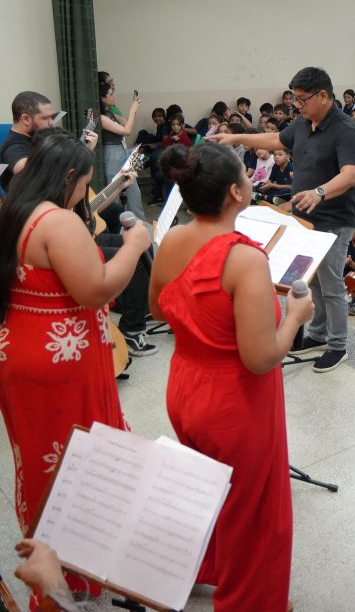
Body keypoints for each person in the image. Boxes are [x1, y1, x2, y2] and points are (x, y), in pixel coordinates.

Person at [149, 141, 311, 611]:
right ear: (237, 194)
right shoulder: (245, 260)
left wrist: (207, 322)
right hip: (235, 401)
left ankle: (206, 567)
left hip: (184, 386)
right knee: (253, 511)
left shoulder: (175, 239)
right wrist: (295, 315)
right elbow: (260, 357)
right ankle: (246, 599)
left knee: (208, 487)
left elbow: (158, 307)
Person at [0, 131, 149, 601]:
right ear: (67, 178)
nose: (86, 192)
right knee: (80, 460)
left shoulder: (13, 211)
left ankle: (52, 555)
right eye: (85, 183)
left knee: (43, 456)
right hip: (59, 359)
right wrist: (135, 243)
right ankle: (76, 569)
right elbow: (96, 288)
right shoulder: (57, 221)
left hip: (22, 349)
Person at [209, 67, 355, 373]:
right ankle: (317, 334)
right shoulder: (305, 121)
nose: (298, 106)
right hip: (304, 218)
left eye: (303, 100)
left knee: (331, 283)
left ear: (323, 95)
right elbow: (278, 139)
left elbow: (350, 175)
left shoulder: (344, 129)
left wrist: (320, 191)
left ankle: (338, 344)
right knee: (312, 278)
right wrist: (236, 136)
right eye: (295, 101)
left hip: (333, 218)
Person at [98, 81, 145, 219]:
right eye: (110, 94)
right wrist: (133, 109)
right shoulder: (100, 116)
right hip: (111, 156)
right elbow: (127, 131)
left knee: (134, 194)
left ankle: (140, 227)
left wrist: (133, 110)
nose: (114, 96)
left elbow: (127, 124)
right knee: (115, 195)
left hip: (121, 153)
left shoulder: (110, 112)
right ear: (102, 98)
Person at [0, 92, 57, 183]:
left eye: (52, 117)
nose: (52, 123)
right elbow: (24, 169)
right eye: (45, 118)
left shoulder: (37, 136)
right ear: (26, 119)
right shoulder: (13, 147)